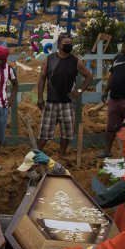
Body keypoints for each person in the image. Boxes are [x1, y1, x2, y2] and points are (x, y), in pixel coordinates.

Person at [36, 33, 92, 161]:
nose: (69, 45)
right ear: (60, 45)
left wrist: (78, 90)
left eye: (71, 43)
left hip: (67, 102)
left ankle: (61, 155)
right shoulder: (49, 59)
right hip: (51, 102)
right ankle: (36, 156)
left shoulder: (76, 61)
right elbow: (42, 78)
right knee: (44, 132)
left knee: (67, 132)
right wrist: (40, 97)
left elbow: (89, 77)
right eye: (66, 43)